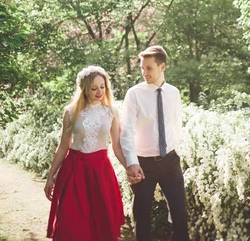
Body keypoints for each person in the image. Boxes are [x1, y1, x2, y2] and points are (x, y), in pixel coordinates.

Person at [45, 65, 125, 240]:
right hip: (74, 172)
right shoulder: (71, 112)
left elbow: (116, 146)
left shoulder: (111, 111)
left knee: (101, 225)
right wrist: (50, 176)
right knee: (70, 223)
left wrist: (130, 168)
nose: (99, 92)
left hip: (100, 173)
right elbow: (62, 147)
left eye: (102, 87)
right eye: (94, 88)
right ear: (84, 89)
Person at [120, 45, 190, 241]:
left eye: (149, 68)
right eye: (142, 68)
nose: (144, 73)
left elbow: (176, 125)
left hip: (170, 161)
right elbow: (125, 132)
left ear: (162, 67)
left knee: (180, 215)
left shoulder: (174, 93)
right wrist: (132, 163)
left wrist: (176, 152)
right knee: (142, 216)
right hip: (143, 164)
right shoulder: (134, 94)